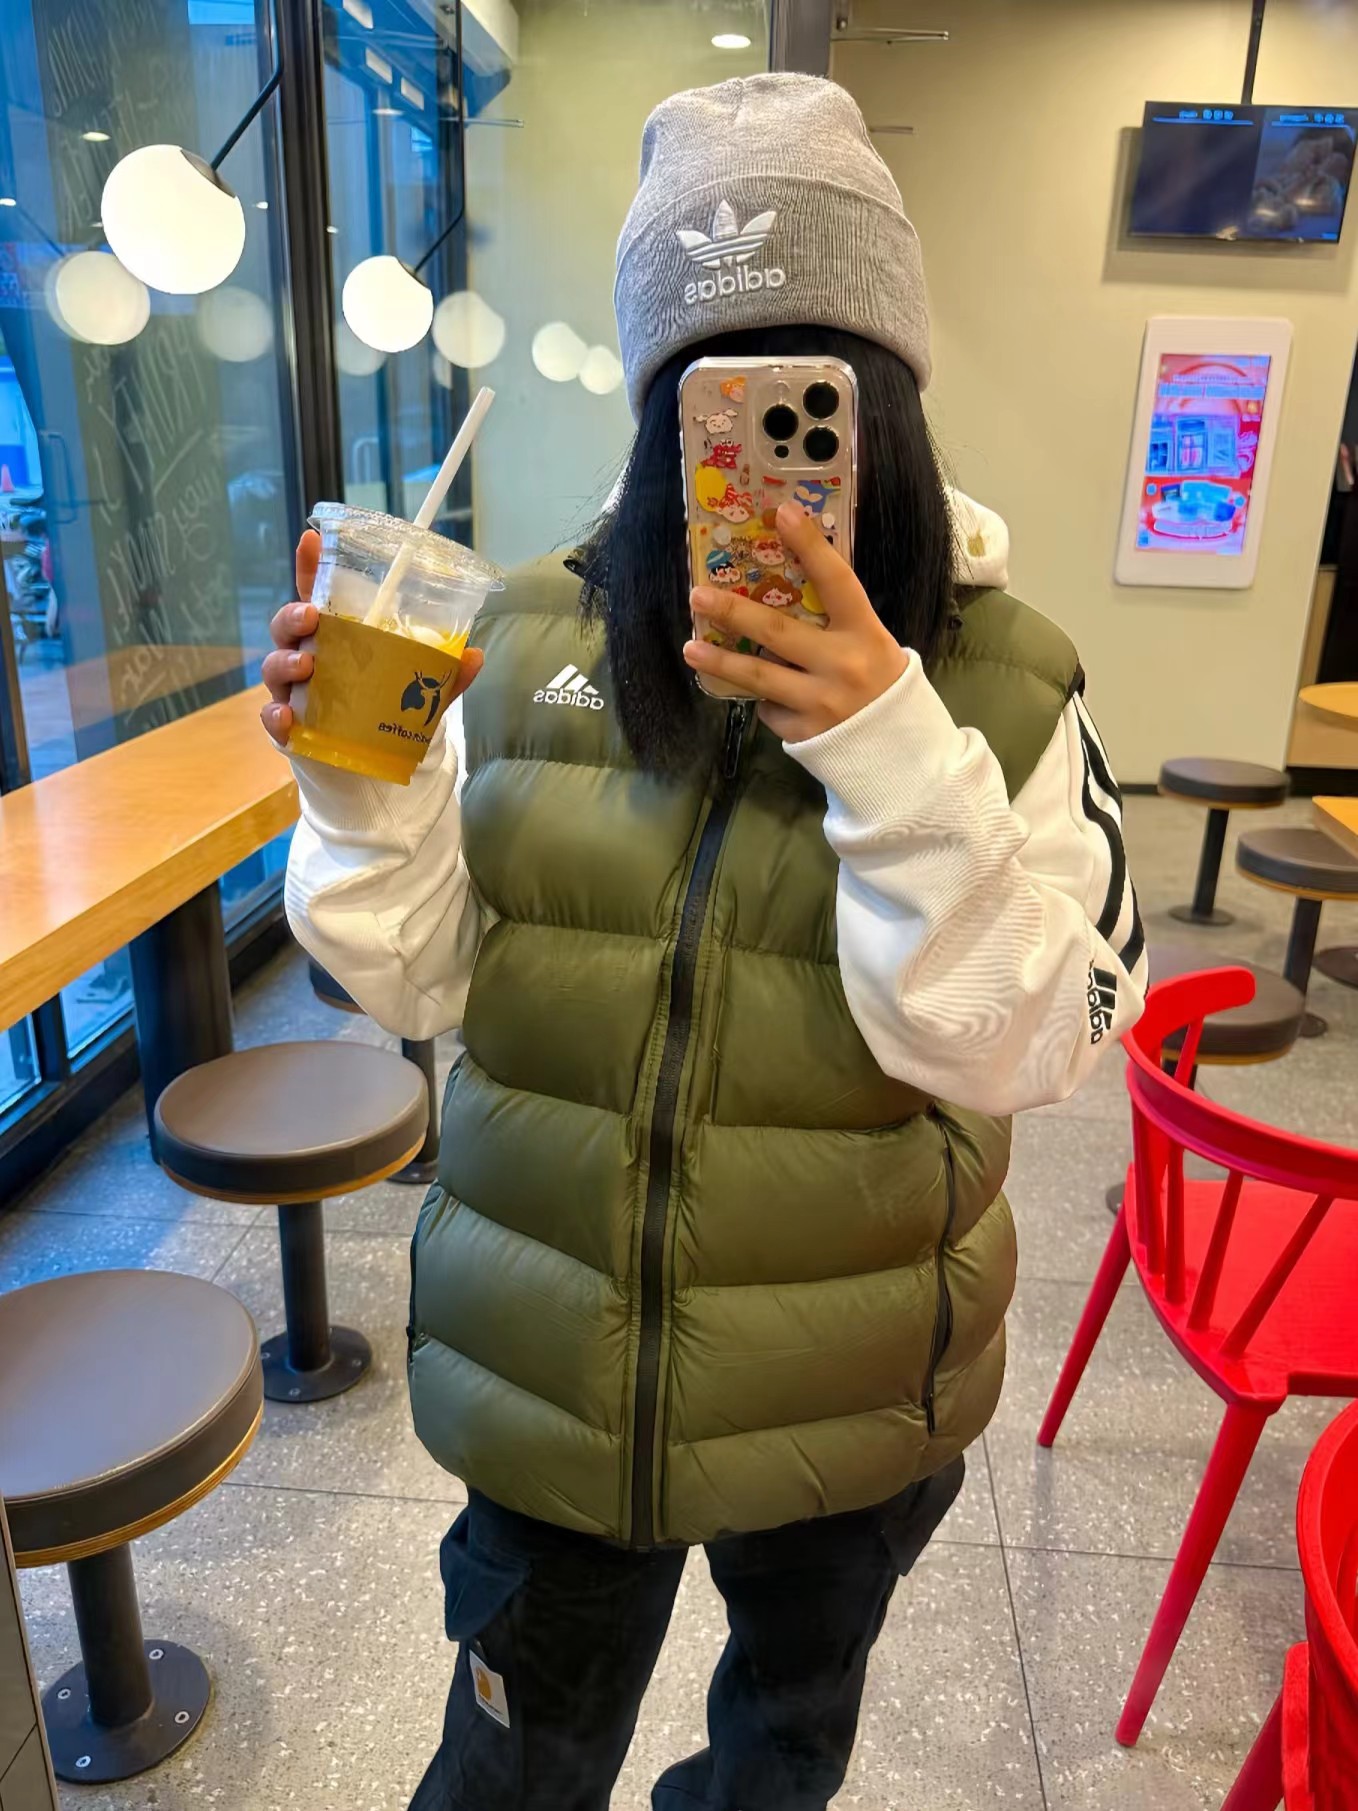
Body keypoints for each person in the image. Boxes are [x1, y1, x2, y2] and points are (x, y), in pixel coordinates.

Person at [264, 74, 1147, 1811]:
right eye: (707, 395)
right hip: (550, 1364)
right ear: (652, 409)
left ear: (888, 397)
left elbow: (1017, 1047)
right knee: (510, 1773)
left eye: (810, 390)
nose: (759, 458)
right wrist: (355, 798)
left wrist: (891, 752)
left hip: (847, 1382)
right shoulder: (525, 638)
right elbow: (421, 980)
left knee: (775, 1758)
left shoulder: (1006, 683)